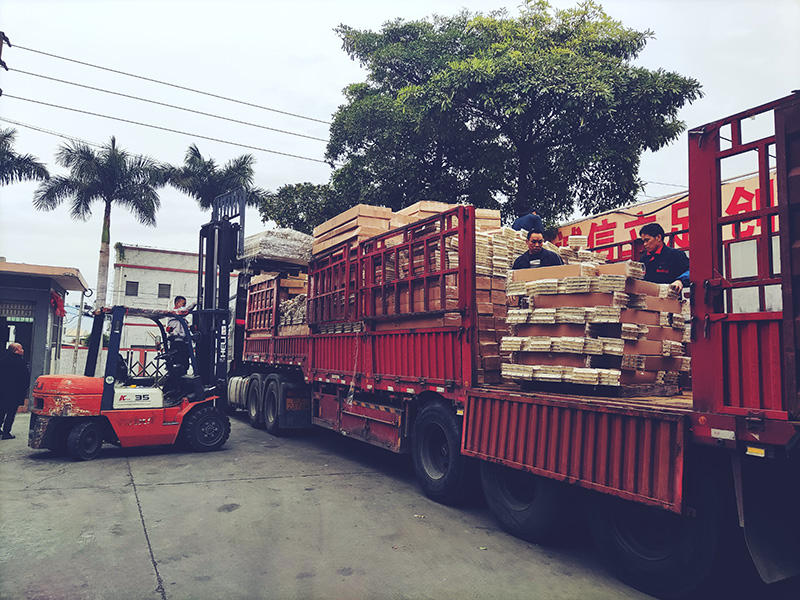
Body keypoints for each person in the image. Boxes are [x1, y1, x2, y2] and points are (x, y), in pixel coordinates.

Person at [639, 223, 690, 292]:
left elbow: (690, 271)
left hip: (670, 297)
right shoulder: (643, 259)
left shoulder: (675, 255)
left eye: (647, 240)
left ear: (658, 237)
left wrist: (680, 281)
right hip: (648, 297)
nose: (645, 244)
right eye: (643, 241)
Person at [0, 343, 30, 440]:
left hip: (2, 392)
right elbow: (25, 378)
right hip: (15, 392)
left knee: (1, 411)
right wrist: (24, 390)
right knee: (11, 412)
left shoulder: (2, 361)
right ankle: (6, 432)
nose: (23, 350)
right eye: (21, 349)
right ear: (16, 350)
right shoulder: (21, 363)